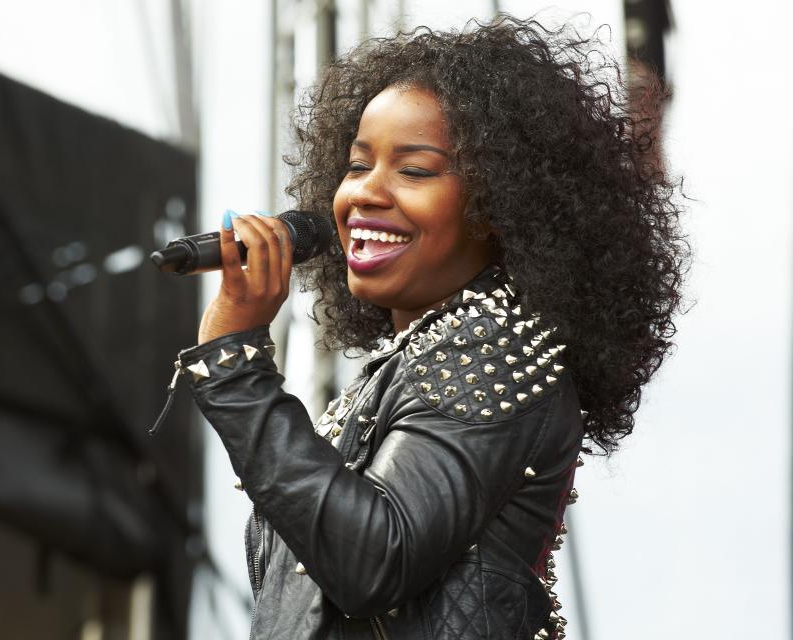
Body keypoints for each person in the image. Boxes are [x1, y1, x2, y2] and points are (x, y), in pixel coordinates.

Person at [176, 14, 687, 640]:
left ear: (499, 204)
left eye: (414, 171)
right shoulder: (399, 373)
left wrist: (236, 366)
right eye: (357, 164)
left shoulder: (496, 349)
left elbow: (373, 561)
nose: (365, 193)